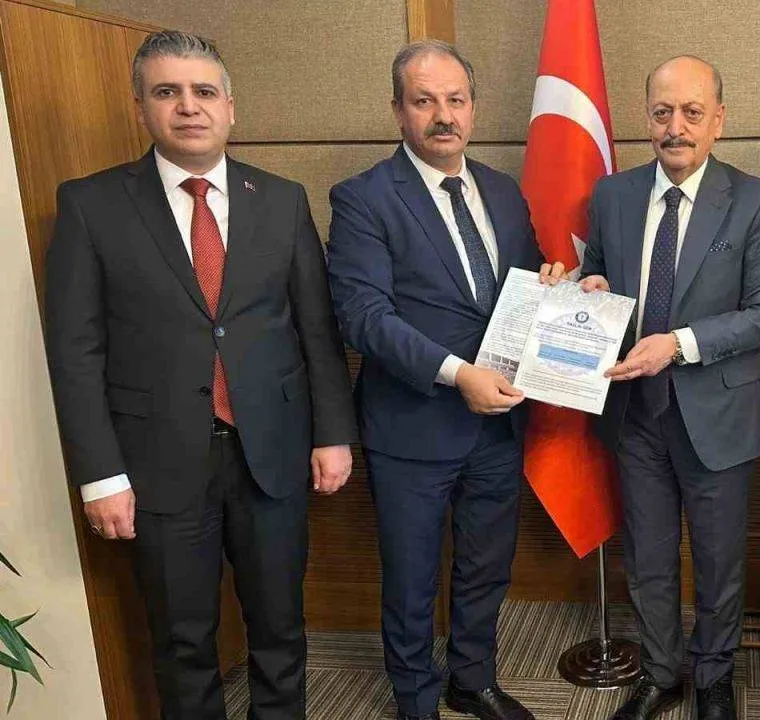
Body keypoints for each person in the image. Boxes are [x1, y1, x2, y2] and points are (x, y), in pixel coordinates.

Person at [43, 30, 357, 720]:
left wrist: (333, 434)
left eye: (204, 91)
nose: (188, 106)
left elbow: (316, 329)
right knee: (182, 640)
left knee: (280, 627)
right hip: (156, 465)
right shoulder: (91, 205)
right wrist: (100, 475)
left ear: (230, 107)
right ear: (141, 107)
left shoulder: (281, 199)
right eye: (168, 92)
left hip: (270, 454)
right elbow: (75, 351)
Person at [544, 54, 760, 720]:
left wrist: (677, 344)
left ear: (718, 121)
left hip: (719, 414)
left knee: (717, 559)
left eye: (691, 113)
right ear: (646, 118)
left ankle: (713, 678)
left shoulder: (757, 201)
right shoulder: (613, 196)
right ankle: (660, 672)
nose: (675, 127)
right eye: (662, 112)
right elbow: (600, 278)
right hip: (635, 415)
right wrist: (586, 288)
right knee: (648, 557)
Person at [325, 39, 541, 720]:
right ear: (398, 110)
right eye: (424, 101)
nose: (443, 115)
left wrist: (569, 290)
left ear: (473, 108)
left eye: (455, 99)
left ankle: (472, 679)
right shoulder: (363, 198)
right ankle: (415, 699)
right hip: (412, 425)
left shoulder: (503, 192)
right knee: (412, 578)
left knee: (485, 565)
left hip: (498, 423)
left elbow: (525, 289)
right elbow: (364, 318)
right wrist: (457, 374)